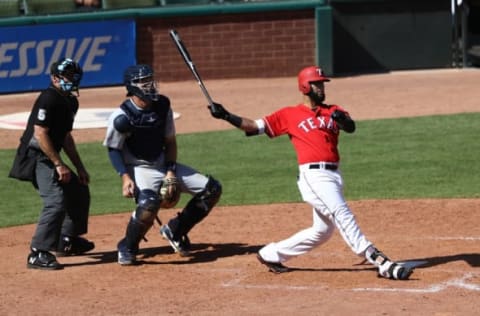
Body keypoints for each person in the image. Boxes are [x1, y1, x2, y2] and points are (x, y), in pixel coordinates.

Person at [206, 65, 413, 280]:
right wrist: (226, 116)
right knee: (342, 214)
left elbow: (350, 127)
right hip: (314, 176)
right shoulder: (289, 114)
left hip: (334, 175)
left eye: (323, 83)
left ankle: (271, 253)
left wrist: (341, 119)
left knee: (322, 231)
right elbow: (254, 126)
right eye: (317, 83)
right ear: (305, 86)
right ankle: (379, 260)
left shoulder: (333, 110)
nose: (322, 87)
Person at [103, 64, 222, 265]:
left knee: (212, 189)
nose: (150, 85)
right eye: (144, 82)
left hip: (162, 163)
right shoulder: (121, 117)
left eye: (151, 80)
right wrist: (124, 177)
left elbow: (170, 142)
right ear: (132, 87)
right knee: (149, 204)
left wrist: (170, 171)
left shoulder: (162, 106)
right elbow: (113, 149)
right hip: (139, 168)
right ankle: (128, 247)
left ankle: (175, 230)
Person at [10, 58, 94, 270]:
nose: (72, 80)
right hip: (35, 156)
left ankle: (66, 240)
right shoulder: (48, 98)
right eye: (68, 77)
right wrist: (58, 164)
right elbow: (40, 134)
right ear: (54, 78)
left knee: (78, 192)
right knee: (55, 201)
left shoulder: (71, 101)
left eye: (74, 76)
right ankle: (38, 253)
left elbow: (66, 137)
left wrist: (79, 167)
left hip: (50, 156)